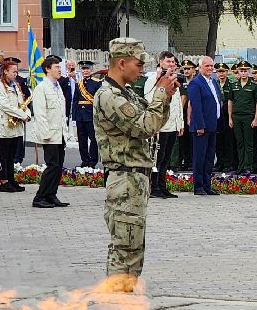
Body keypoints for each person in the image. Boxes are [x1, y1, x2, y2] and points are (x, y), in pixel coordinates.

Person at [94, 37, 179, 291]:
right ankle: (116, 306)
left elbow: (152, 121)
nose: (142, 69)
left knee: (133, 246)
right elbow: (144, 126)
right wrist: (161, 93)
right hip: (124, 179)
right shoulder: (109, 96)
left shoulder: (126, 92)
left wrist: (165, 96)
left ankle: (125, 302)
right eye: (138, 64)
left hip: (135, 180)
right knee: (125, 248)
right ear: (121, 63)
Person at [31, 55, 69, 209]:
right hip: (50, 135)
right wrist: (45, 134)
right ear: (47, 69)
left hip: (59, 133)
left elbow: (61, 112)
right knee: (52, 165)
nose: (59, 70)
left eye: (60, 67)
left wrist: (66, 131)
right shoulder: (42, 88)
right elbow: (40, 113)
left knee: (58, 166)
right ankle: (39, 197)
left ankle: (51, 194)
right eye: (56, 67)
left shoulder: (57, 86)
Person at [145, 52, 182, 197]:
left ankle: (162, 186)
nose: (171, 64)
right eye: (168, 61)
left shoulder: (173, 79)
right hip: (160, 126)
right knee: (157, 158)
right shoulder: (153, 79)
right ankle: (153, 187)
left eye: (173, 62)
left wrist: (180, 123)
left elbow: (177, 104)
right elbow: (149, 102)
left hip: (172, 125)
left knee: (166, 158)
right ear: (160, 62)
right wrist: (153, 125)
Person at [0, 61, 30, 194]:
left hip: (16, 125)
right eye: (13, 71)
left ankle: (11, 179)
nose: (15, 74)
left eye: (16, 71)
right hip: (4, 125)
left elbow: (22, 102)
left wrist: (27, 114)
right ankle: (4, 181)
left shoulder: (16, 86)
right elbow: (5, 105)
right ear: (5, 72)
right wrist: (22, 115)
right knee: (4, 155)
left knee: (12, 155)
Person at [187, 56, 222, 194]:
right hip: (202, 127)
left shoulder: (213, 82)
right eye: (207, 66)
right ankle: (198, 186)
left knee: (209, 157)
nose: (210, 68)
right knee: (199, 157)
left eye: (211, 65)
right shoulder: (196, 83)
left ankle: (207, 185)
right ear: (200, 67)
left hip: (213, 125)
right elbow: (196, 106)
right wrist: (200, 126)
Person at [228, 62, 257, 174]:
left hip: (248, 117)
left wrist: (256, 119)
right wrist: (230, 118)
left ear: (249, 72)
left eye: (245, 70)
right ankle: (240, 166)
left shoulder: (254, 86)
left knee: (249, 144)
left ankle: (248, 167)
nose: (243, 73)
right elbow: (230, 102)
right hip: (236, 117)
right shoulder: (233, 85)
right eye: (241, 71)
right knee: (239, 143)